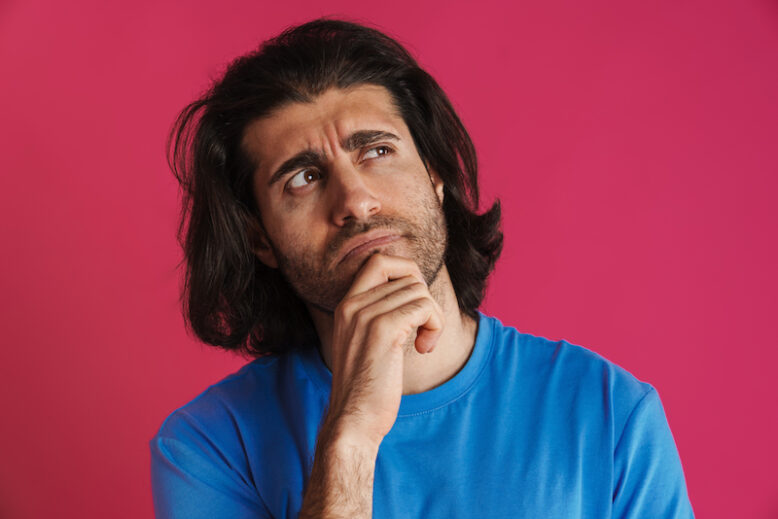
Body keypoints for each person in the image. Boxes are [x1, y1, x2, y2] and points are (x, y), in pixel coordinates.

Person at [150, 18, 694, 519]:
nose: (357, 201)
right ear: (258, 238)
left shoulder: (611, 412)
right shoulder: (208, 447)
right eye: (303, 179)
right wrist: (352, 437)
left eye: (378, 151)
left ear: (434, 174)